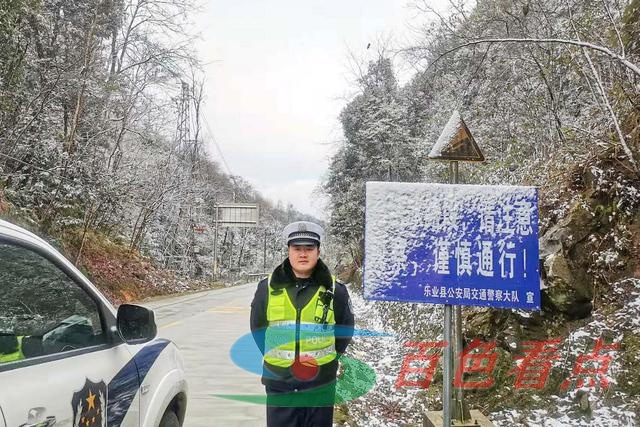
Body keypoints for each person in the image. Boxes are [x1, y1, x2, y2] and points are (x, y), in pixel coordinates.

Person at [250, 220, 355, 427]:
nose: (303, 254)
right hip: (280, 384)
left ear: (318, 251)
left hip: (320, 385)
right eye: (297, 248)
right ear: (289, 251)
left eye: (309, 248)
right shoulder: (267, 288)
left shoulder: (335, 290)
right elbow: (257, 330)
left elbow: (344, 332)